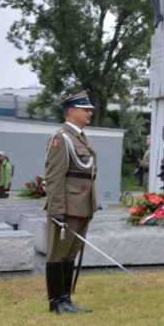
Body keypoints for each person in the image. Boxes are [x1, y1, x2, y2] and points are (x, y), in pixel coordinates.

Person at [43, 91, 98, 314]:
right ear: (71, 111)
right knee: (58, 252)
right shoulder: (61, 138)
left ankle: (66, 299)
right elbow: (55, 176)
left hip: (82, 204)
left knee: (71, 252)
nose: (89, 113)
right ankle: (56, 301)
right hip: (67, 205)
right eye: (85, 109)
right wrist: (57, 209)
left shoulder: (81, 136)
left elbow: (87, 174)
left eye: (90, 110)